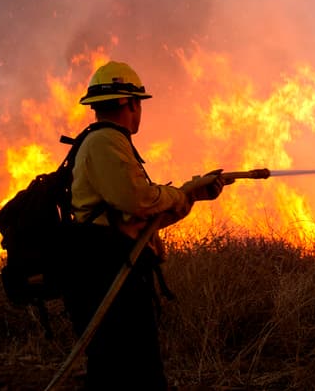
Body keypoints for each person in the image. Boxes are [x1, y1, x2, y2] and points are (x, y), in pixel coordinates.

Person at [63, 60, 227, 390]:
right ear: (130, 104)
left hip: (116, 271)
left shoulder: (110, 143)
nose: (140, 110)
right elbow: (140, 200)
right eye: (138, 103)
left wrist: (192, 195)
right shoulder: (104, 142)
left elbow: (142, 219)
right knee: (127, 370)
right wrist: (179, 192)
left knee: (126, 369)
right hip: (106, 275)